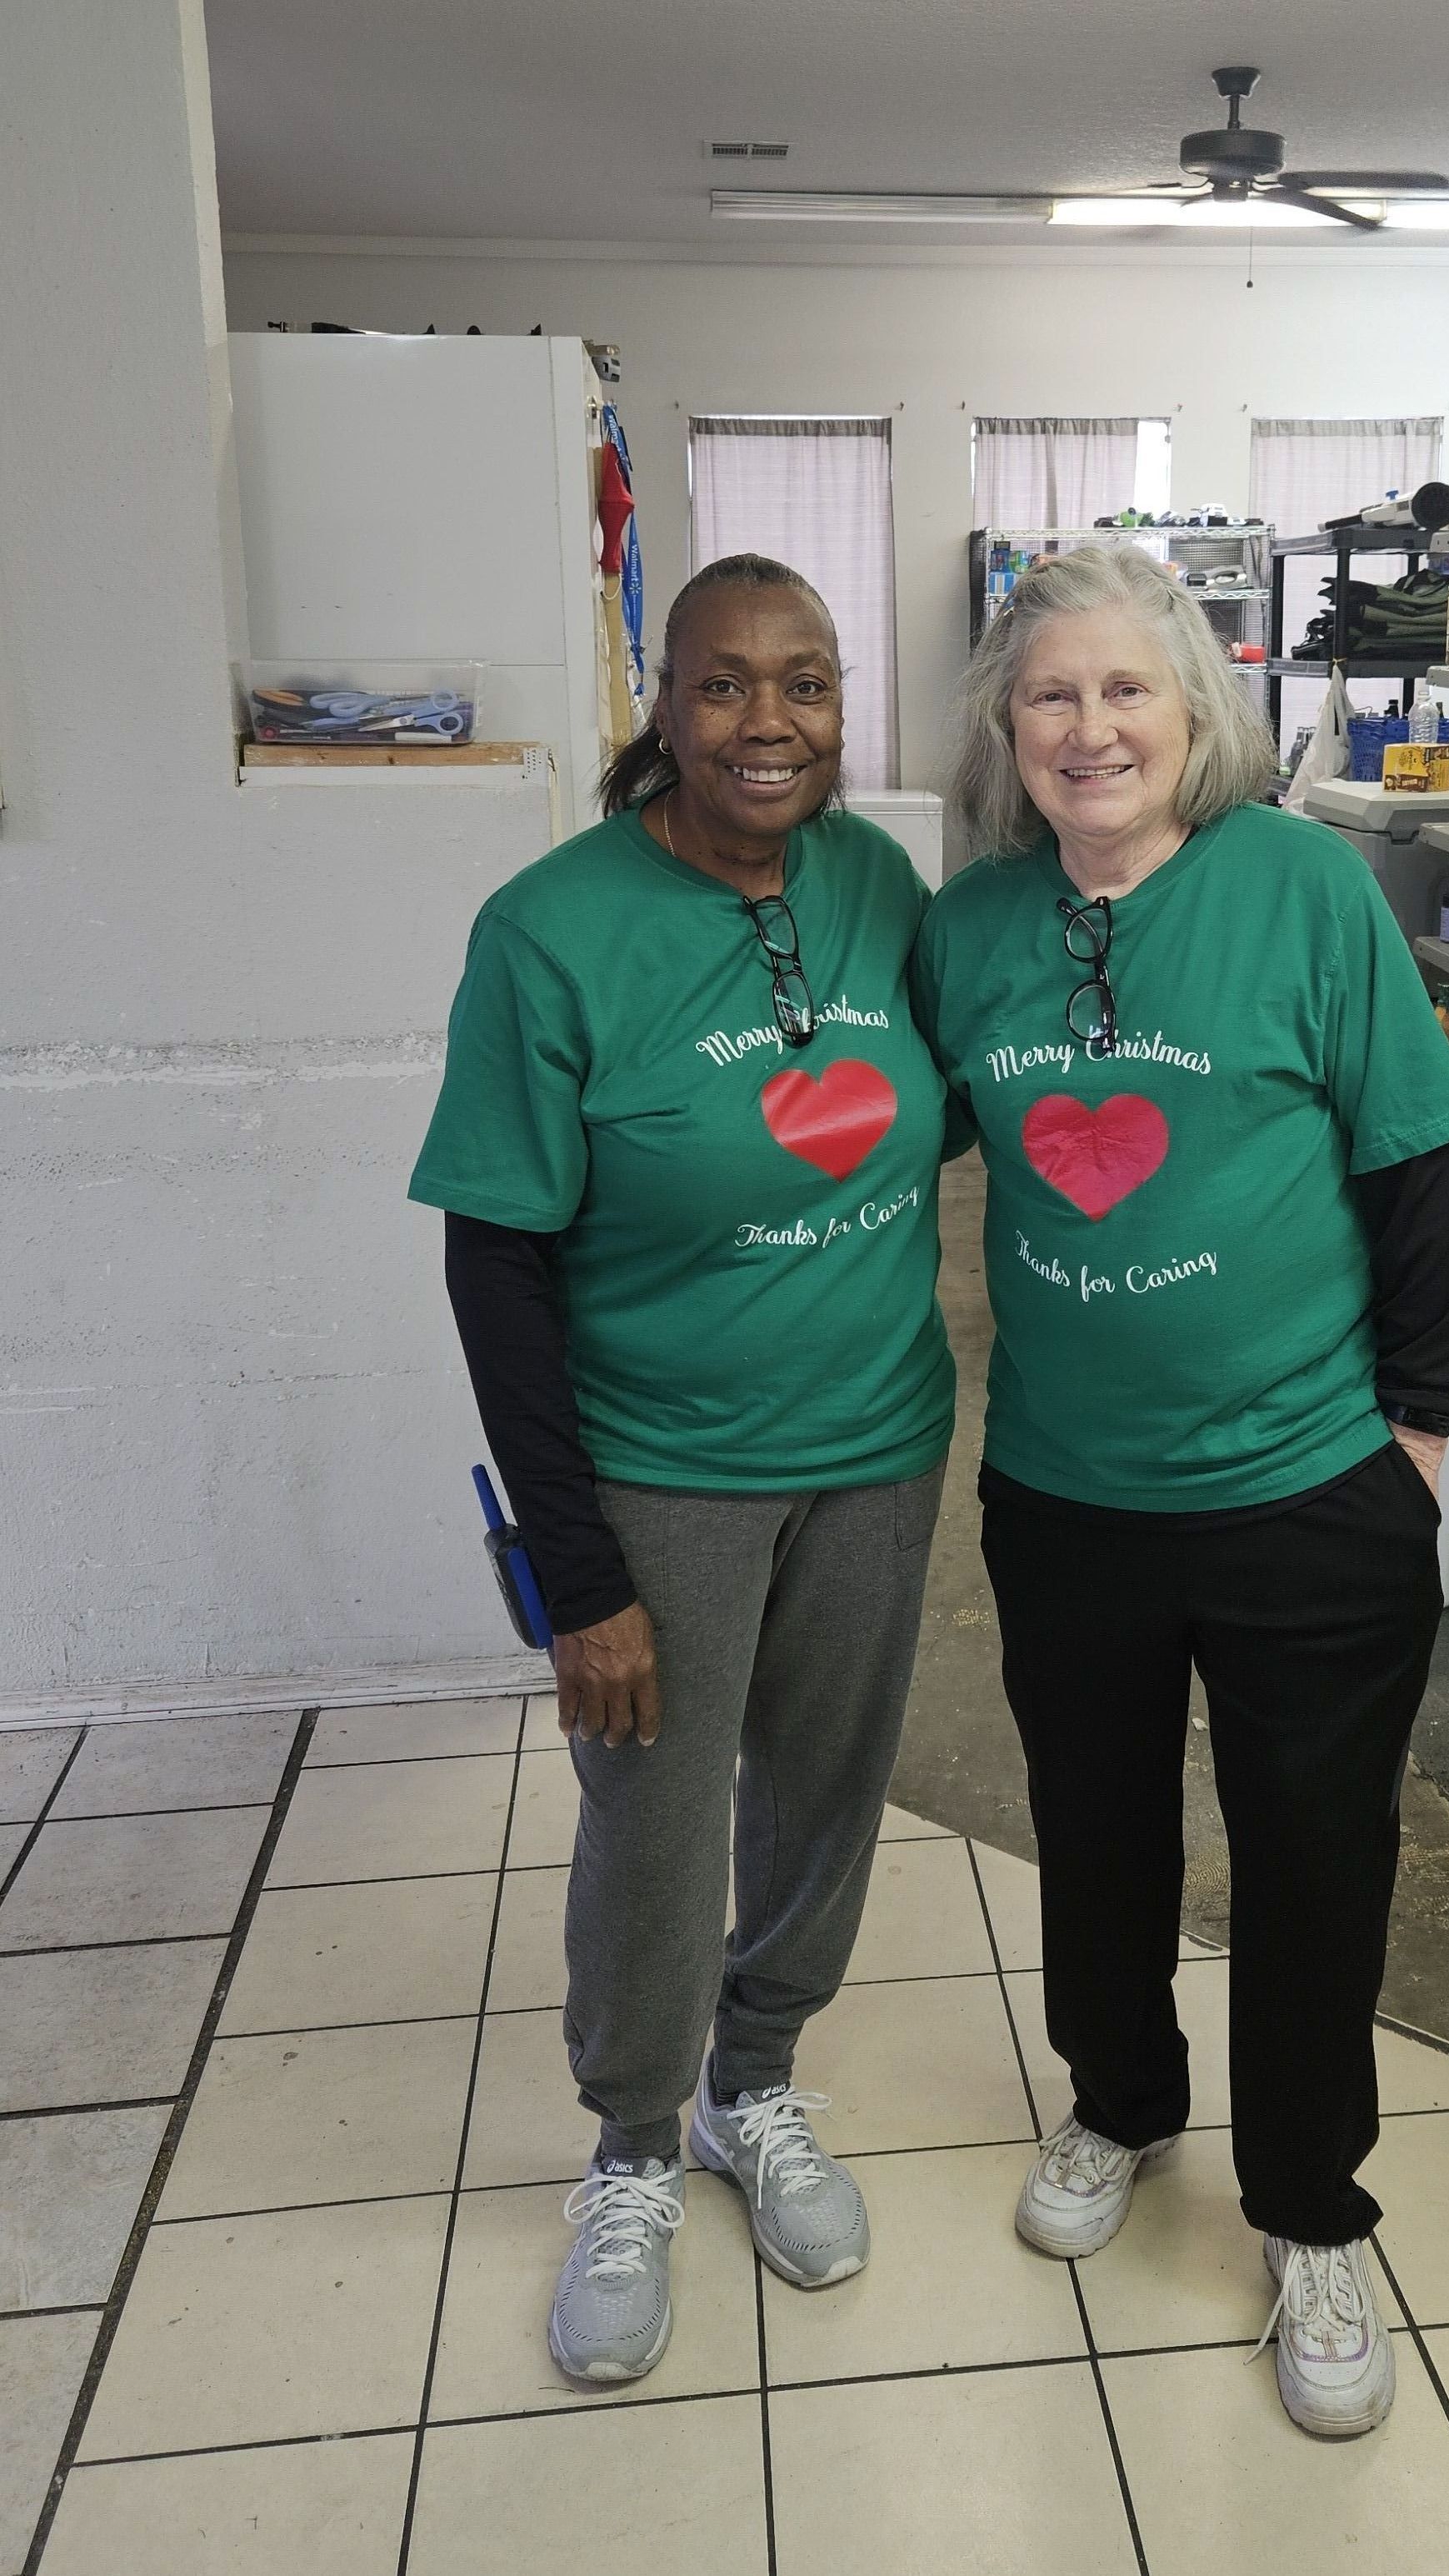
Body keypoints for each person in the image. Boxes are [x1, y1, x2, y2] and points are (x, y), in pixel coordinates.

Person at [914, 543, 1449, 2440]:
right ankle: (1121, 2100)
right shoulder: (972, 926)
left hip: (1308, 1488)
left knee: (1314, 1857)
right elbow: (877, 1143)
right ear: (1010, 727)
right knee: (1094, 1825)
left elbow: (1423, 1168)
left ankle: (1311, 2210)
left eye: (1126, 692)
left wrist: (1411, 1440)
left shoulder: (1305, 890)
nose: (1091, 730)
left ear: (1193, 711)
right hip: (1067, 1494)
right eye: (1052, 696)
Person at [409, 554, 953, 2385]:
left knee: (823, 1789)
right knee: (655, 1817)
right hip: (661, 1467)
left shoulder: (882, 881)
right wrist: (577, 1570)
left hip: (876, 1443)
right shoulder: (550, 928)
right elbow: (493, 1258)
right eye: (723, 685)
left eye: (803, 682)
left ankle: (757, 2081)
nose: (768, 722)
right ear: (660, 699)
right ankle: (636, 2144)